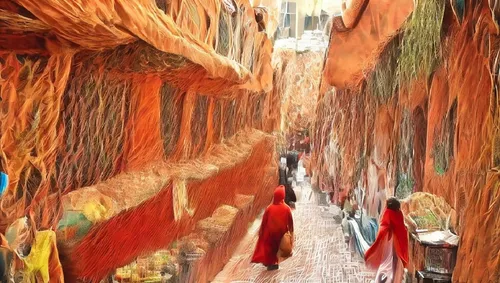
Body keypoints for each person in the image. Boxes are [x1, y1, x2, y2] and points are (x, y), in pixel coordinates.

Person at [364, 197, 408, 283]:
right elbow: (401, 227)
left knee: (386, 262)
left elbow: (384, 224)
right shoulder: (399, 213)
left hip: (389, 240)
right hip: (397, 241)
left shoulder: (388, 212)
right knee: (393, 263)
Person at [252, 186, 294, 271]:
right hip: (281, 234)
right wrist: (291, 233)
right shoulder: (286, 208)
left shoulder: (269, 208)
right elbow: (290, 223)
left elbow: (264, 222)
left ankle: (270, 263)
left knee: (270, 249)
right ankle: (274, 263)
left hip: (269, 233)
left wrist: (261, 231)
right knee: (277, 249)